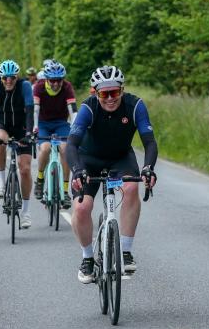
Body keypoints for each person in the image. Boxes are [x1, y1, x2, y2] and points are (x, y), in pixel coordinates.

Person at [67, 65, 158, 283]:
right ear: (94, 93)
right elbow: (71, 144)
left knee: (131, 187)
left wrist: (148, 168)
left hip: (120, 157)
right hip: (88, 159)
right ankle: (87, 257)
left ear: (122, 90)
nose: (110, 98)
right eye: (104, 94)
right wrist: (78, 170)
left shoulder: (135, 106)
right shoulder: (88, 108)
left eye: (114, 92)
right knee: (81, 208)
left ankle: (125, 251)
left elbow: (149, 142)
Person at [0, 60, 36, 228]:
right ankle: (1, 181)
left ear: (17, 77)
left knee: (26, 169)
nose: (9, 81)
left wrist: (29, 134)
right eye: (5, 78)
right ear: (0, 78)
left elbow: (30, 111)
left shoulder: (25, 86)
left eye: (12, 78)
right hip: (2, 125)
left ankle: (26, 212)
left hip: (21, 127)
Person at [32, 60, 77, 209]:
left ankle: (64, 191)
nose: (56, 84)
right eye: (52, 80)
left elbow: (73, 110)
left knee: (65, 149)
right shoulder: (39, 87)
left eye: (59, 80)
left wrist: (76, 129)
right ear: (46, 79)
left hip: (61, 123)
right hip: (43, 124)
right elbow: (35, 109)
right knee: (45, 148)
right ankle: (40, 179)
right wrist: (35, 126)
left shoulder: (67, 86)